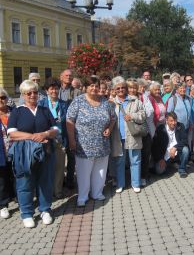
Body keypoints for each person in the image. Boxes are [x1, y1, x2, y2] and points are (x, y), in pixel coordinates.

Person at [7, 80, 58, 228]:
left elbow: (56, 129)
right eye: (29, 93)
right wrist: (33, 136)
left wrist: (45, 133)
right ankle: (27, 213)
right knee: (25, 182)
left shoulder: (44, 110)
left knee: (45, 181)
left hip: (45, 151)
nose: (32, 95)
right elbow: (12, 134)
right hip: (24, 153)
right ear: (23, 94)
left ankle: (45, 209)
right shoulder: (17, 111)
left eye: (35, 92)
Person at [67, 76, 116, 206]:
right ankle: (82, 197)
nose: (94, 88)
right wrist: (71, 140)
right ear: (85, 88)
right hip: (84, 145)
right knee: (84, 173)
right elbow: (69, 121)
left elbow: (113, 118)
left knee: (100, 171)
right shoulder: (78, 101)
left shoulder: (105, 102)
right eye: (91, 86)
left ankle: (97, 193)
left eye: (96, 86)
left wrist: (109, 129)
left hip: (102, 144)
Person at [111, 76, 146, 193]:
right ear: (114, 90)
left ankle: (135, 183)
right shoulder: (111, 103)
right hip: (118, 137)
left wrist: (133, 116)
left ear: (126, 88)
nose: (120, 90)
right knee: (120, 162)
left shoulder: (135, 100)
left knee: (135, 160)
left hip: (133, 135)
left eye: (122, 87)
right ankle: (120, 184)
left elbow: (143, 115)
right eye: (118, 88)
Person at [38, 78, 69, 199]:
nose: (54, 91)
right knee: (46, 168)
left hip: (60, 140)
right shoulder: (41, 104)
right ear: (46, 90)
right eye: (51, 89)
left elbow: (67, 122)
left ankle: (58, 191)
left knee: (60, 167)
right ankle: (47, 191)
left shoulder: (64, 104)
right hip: (46, 141)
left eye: (56, 88)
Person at [58, 69, 81, 189]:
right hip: (58, 128)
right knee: (59, 156)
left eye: (70, 76)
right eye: (66, 75)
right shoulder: (56, 91)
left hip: (72, 127)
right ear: (61, 77)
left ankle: (70, 180)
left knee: (71, 155)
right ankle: (59, 180)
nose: (68, 77)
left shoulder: (77, 92)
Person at [141, 81, 165, 186]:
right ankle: (146, 173)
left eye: (159, 89)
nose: (158, 91)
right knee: (147, 151)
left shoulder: (159, 98)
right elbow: (151, 114)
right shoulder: (149, 98)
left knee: (154, 149)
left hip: (159, 127)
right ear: (150, 90)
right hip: (151, 127)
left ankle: (154, 167)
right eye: (155, 89)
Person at [151, 112, 189, 177]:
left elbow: (185, 140)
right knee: (159, 171)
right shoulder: (160, 129)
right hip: (165, 155)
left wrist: (175, 147)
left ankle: (182, 169)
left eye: (175, 120)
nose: (174, 123)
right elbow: (155, 146)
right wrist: (160, 158)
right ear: (166, 120)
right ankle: (169, 164)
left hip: (177, 152)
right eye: (171, 121)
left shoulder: (180, 126)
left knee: (185, 150)